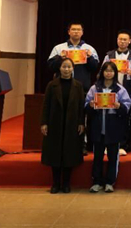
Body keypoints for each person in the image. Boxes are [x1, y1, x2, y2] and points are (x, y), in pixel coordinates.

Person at [85, 61, 131, 193]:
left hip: (114, 127)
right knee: (97, 157)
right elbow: (86, 105)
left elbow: (127, 106)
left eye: (111, 71)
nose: (108, 73)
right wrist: (91, 105)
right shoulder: (95, 88)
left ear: (115, 73)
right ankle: (97, 182)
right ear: (102, 73)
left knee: (113, 157)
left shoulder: (120, 89)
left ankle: (110, 182)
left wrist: (119, 106)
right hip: (98, 126)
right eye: (106, 71)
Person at [40, 58, 85, 194]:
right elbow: (46, 105)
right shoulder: (52, 85)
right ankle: (55, 184)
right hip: (55, 123)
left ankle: (66, 183)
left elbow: (81, 107)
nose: (66, 69)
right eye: (64, 67)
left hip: (72, 124)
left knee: (69, 153)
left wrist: (81, 123)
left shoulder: (78, 86)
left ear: (73, 69)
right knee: (55, 153)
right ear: (59, 68)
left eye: (69, 67)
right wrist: (44, 123)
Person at [101, 29, 131, 156]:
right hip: (109, 89)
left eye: (125, 39)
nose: (122, 41)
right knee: (108, 117)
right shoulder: (109, 55)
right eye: (120, 39)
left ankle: (122, 145)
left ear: (129, 41)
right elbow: (102, 71)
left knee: (125, 118)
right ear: (117, 40)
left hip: (127, 90)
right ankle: (107, 144)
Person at [47, 21, 99, 90]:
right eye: (73, 29)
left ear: (82, 32)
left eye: (79, 30)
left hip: (82, 87)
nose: (76, 32)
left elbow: (94, 68)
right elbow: (51, 66)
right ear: (69, 32)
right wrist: (60, 58)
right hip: (61, 86)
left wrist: (89, 58)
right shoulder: (58, 48)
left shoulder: (89, 49)